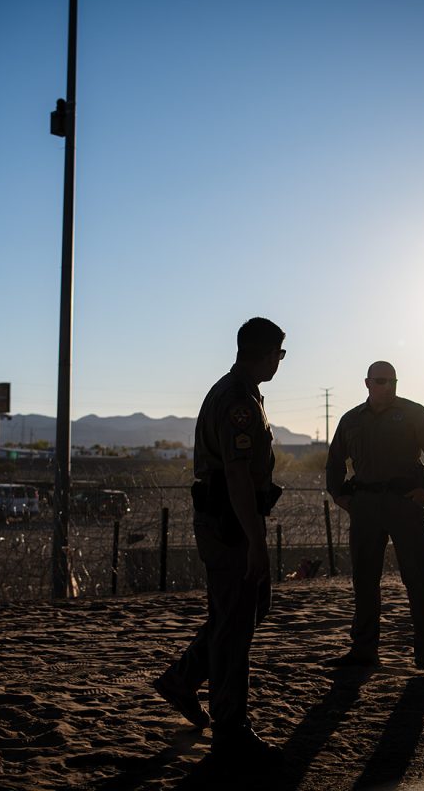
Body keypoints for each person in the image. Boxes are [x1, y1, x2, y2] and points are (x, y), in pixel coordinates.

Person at [153, 317, 286, 764]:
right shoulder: (237, 400)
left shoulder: (238, 392)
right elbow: (236, 473)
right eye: (279, 355)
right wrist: (256, 540)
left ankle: (183, 679)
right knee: (235, 626)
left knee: (242, 613)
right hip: (230, 523)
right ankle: (231, 730)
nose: (280, 363)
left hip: (228, 520)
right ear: (266, 353)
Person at [324, 361, 424, 677]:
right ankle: (363, 652)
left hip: (404, 504)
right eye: (381, 381)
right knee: (365, 580)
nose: (387, 386)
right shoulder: (350, 420)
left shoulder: (414, 413)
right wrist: (339, 495)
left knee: (419, 579)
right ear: (367, 383)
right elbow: (334, 463)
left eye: (392, 381)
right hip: (366, 506)